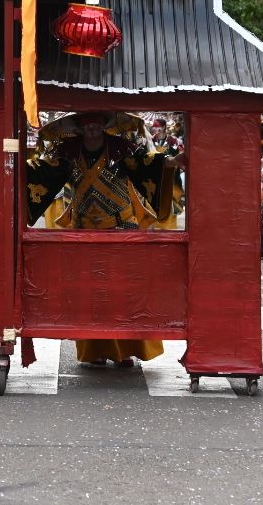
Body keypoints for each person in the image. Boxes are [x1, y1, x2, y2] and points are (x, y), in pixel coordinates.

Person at [26, 112, 178, 366]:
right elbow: (44, 173)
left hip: (121, 229)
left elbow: (147, 164)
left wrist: (172, 162)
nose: (93, 127)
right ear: (80, 128)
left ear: (104, 124)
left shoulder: (122, 148)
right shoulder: (68, 151)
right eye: (87, 123)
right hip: (84, 231)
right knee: (89, 292)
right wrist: (16, 163)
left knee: (125, 292)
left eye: (96, 122)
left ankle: (126, 350)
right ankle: (95, 350)